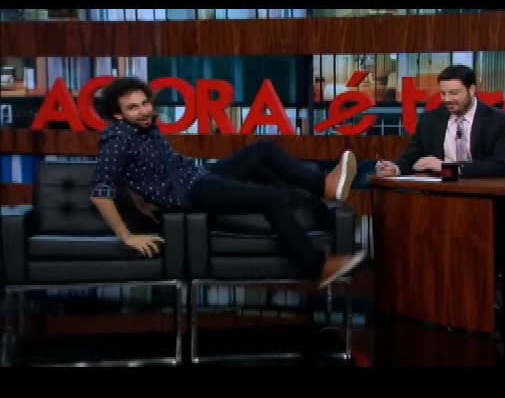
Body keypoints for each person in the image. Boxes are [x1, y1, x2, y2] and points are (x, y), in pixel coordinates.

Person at [90, 77, 365, 288]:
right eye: (133, 108)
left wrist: (137, 195)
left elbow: (136, 172)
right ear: (118, 115)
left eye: (144, 103)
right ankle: (317, 267)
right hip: (191, 193)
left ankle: (324, 188)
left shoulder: (144, 128)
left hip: (199, 175)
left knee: (263, 152)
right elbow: (100, 192)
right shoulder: (118, 138)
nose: (143, 111)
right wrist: (128, 236)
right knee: (270, 198)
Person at [376, 65, 505, 178]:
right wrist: (395, 168)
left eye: (454, 93)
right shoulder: (430, 120)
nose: (447, 99)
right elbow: (413, 157)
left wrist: (449, 168)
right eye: (443, 93)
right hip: (441, 195)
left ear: (471, 90)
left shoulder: (500, 121)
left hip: (486, 194)